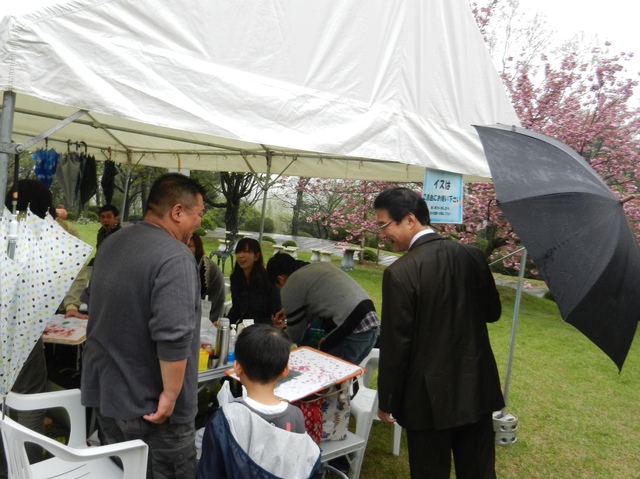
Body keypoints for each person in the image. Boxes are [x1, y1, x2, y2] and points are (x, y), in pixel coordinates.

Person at [373, 187, 504, 479]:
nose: (382, 234)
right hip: (475, 388)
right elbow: (492, 313)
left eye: (384, 225)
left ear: (409, 220)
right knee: (480, 472)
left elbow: (396, 348)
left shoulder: (400, 272)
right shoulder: (471, 255)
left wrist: (387, 400)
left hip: (426, 400)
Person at [81, 173, 205, 479]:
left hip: (110, 397)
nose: (199, 223)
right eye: (198, 214)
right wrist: (171, 395)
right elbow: (173, 335)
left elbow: (94, 306)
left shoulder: (112, 243)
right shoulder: (175, 257)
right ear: (177, 212)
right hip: (152, 411)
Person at [197, 324, 321, 478]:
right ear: (285, 370)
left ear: (237, 368)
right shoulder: (296, 416)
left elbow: (209, 471)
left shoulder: (225, 418)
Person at [1, 179, 54, 477]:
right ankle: (29, 466)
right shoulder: (37, 237)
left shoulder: (5, 229)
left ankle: (11, 461)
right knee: (31, 399)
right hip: (22, 331)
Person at [266, 253, 379, 365]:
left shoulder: (290, 284)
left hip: (353, 327)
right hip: (371, 322)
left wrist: (279, 332)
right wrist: (290, 315)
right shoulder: (318, 266)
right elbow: (321, 300)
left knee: (328, 374)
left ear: (280, 279)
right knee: (344, 377)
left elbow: (295, 335)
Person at [227, 238, 281, 326]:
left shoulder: (269, 281)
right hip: (242, 329)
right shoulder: (236, 278)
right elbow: (236, 308)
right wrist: (224, 323)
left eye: (245, 252)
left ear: (256, 256)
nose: (240, 256)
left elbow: (275, 315)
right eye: (238, 252)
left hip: (263, 331)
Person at [187, 233, 226, 321]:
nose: (185, 249)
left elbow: (210, 302)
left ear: (198, 248)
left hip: (211, 314)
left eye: (190, 246)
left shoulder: (208, 269)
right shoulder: (185, 264)